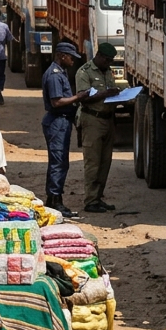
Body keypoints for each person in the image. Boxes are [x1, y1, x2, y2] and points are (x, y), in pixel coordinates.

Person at [41, 42, 90, 218]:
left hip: (61, 122)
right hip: (57, 122)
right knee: (58, 162)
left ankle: (53, 199)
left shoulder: (60, 72)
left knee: (60, 162)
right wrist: (78, 97)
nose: (73, 61)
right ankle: (55, 201)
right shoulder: (55, 75)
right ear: (62, 56)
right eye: (71, 57)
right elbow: (56, 102)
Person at [75, 43, 122, 213]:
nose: (109, 64)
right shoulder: (85, 71)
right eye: (107, 60)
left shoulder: (107, 71)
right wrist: (105, 94)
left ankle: (98, 197)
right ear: (100, 56)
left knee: (105, 162)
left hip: (108, 120)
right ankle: (90, 200)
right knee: (93, 162)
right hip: (92, 120)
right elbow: (82, 97)